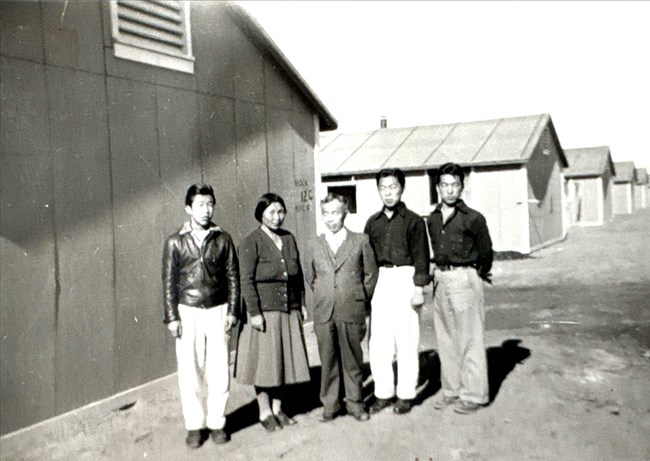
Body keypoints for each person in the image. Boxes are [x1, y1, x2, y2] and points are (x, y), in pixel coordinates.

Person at [162, 184, 240, 448]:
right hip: (187, 311)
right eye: (200, 205)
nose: (206, 210)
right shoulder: (175, 241)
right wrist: (172, 317)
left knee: (219, 368)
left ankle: (217, 423)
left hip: (217, 309)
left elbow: (232, 276)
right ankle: (194, 426)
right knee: (189, 370)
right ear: (188, 208)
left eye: (210, 204)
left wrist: (232, 311)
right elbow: (169, 281)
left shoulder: (223, 239)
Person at [234, 193, 311, 432]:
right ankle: (264, 411)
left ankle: (279, 409)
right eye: (271, 213)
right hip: (265, 313)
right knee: (265, 366)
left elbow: (297, 277)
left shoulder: (288, 239)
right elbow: (245, 280)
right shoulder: (251, 241)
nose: (276, 217)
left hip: (289, 310)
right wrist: (254, 312)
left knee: (284, 363)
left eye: (280, 212)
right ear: (261, 215)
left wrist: (301, 303)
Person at [304, 193, 379, 422]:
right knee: (327, 359)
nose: (330, 219)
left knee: (353, 360)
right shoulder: (313, 244)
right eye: (326, 213)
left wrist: (358, 298)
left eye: (335, 213)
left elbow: (370, 274)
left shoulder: (361, 241)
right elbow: (310, 277)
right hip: (324, 311)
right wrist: (322, 297)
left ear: (345, 212)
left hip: (351, 309)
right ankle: (330, 404)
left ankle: (355, 403)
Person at [427, 162, 493, 415]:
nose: (450, 190)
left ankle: (474, 394)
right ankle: (451, 390)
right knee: (446, 340)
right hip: (441, 280)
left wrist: (472, 274)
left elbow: (486, 253)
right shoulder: (432, 219)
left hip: (464, 277)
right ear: (438, 188)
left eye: (455, 185)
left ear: (462, 187)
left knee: (470, 339)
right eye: (445, 185)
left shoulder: (473, 218)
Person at [364, 168, 431, 415]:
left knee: (406, 339)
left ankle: (405, 393)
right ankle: (383, 392)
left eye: (393, 187)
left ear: (401, 189)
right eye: (383, 188)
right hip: (381, 279)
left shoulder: (413, 221)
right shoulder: (372, 223)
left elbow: (422, 257)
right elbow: (367, 259)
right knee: (379, 341)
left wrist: (418, 288)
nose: (389, 193)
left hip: (406, 276)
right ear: (378, 190)